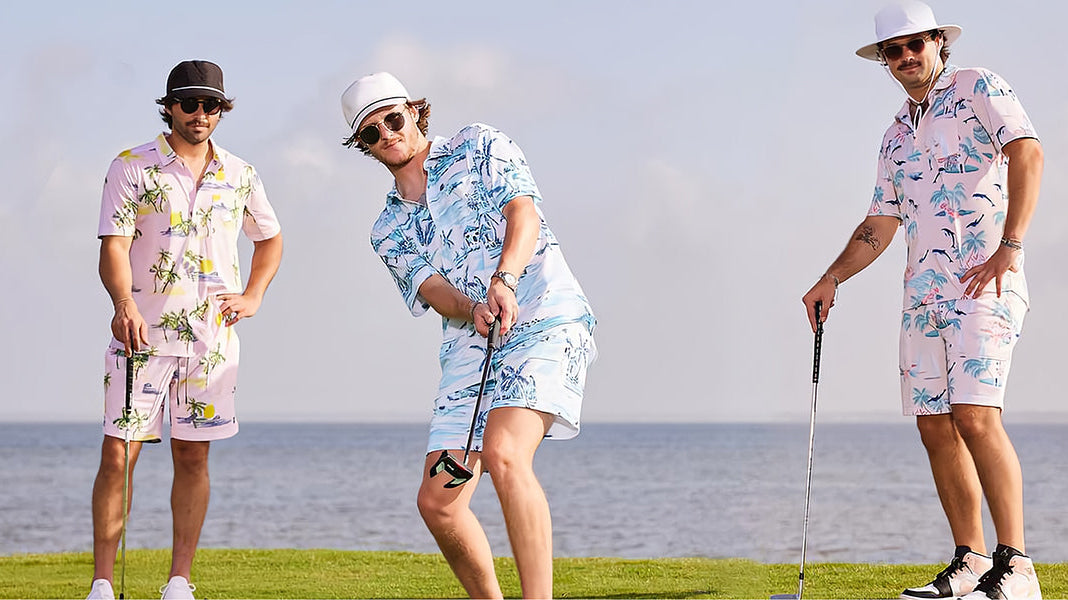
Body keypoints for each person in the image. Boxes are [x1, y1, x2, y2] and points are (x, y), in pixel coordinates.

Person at [802, 2, 1044, 599]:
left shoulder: (979, 86)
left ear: (939, 42)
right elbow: (880, 224)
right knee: (935, 424)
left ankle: (1017, 567)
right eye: (894, 51)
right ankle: (971, 560)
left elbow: (1028, 152)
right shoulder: (895, 134)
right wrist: (832, 277)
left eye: (916, 44)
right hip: (923, 295)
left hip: (986, 280)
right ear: (884, 61)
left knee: (976, 415)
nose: (907, 57)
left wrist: (1011, 245)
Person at [340, 72, 596, 599]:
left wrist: (504, 279)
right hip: (470, 348)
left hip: (544, 318)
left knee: (504, 452)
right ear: (363, 147)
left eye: (393, 119)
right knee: (439, 502)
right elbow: (433, 290)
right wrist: (472, 306)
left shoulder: (478, 144)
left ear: (414, 112)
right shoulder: (386, 230)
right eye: (371, 132)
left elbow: (522, 211)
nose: (388, 134)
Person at [88, 60, 283, 600]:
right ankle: (102, 583)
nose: (202, 115)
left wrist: (253, 296)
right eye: (191, 104)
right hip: (141, 335)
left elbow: (270, 239)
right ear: (170, 105)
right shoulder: (130, 165)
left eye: (213, 105)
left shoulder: (241, 173)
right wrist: (122, 303)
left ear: (223, 110)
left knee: (193, 456)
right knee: (117, 453)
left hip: (213, 344)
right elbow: (114, 246)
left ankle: (179, 581)